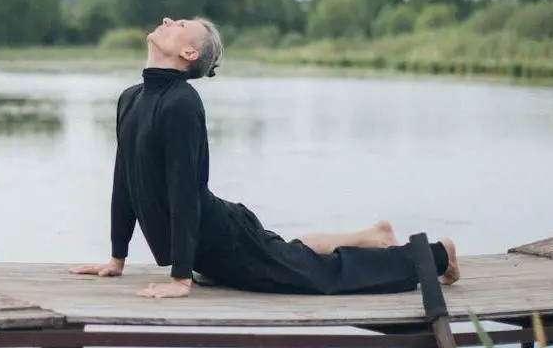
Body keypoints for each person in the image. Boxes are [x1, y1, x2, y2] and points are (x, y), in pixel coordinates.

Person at [69, 16, 460, 299]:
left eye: (182, 24)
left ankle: (435, 256)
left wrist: (180, 279)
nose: (169, 19)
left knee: (320, 278)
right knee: (288, 253)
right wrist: (116, 257)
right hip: (212, 245)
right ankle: (372, 236)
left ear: (189, 52)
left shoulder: (182, 103)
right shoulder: (131, 98)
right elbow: (126, 180)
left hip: (225, 241)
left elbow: (185, 191)